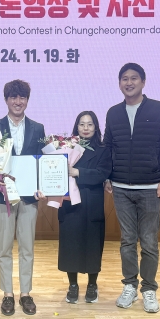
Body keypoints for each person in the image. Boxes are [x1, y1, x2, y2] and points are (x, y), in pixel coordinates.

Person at [103, 63, 160, 313]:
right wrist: (107, 176)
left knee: (148, 241)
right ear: (119, 83)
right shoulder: (113, 113)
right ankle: (129, 286)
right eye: (124, 79)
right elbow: (108, 146)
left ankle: (149, 289)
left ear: (143, 82)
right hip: (120, 187)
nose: (129, 82)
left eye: (134, 78)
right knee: (127, 241)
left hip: (150, 187)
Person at [0, 79, 46, 316]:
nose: (18, 102)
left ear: (27, 100)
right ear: (6, 100)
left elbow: (41, 162)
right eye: (13, 97)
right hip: (2, 197)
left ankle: (25, 293)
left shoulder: (38, 128)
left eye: (22, 97)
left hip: (29, 197)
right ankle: (8, 294)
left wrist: (43, 185)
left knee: (27, 247)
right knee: (4, 247)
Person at [59, 111, 111, 304]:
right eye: (82, 124)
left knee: (93, 245)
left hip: (92, 202)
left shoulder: (103, 149)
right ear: (77, 127)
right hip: (70, 203)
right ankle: (73, 285)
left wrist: (77, 172)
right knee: (70, 244)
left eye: (90, 124)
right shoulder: (66, 147)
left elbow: (102, 173)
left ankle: (92, 285)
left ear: (96, 127)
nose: (86, 128)